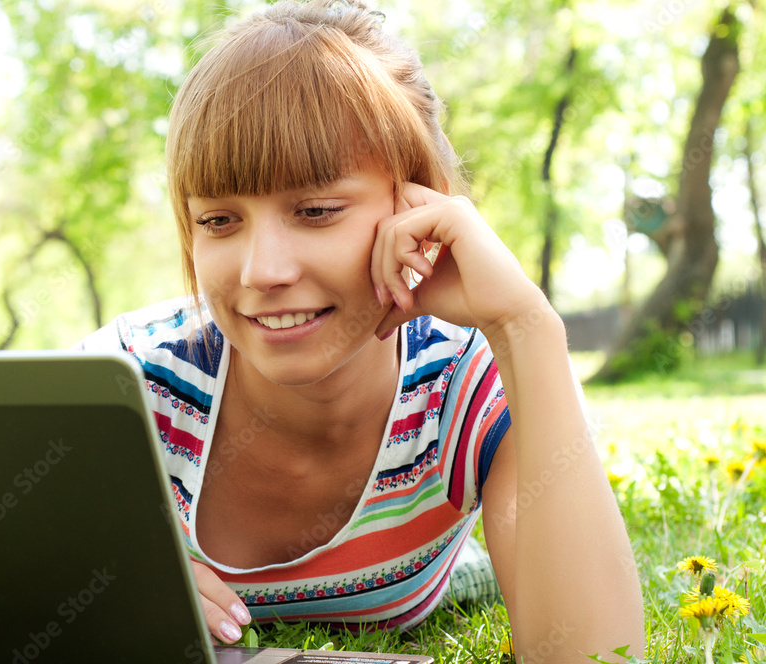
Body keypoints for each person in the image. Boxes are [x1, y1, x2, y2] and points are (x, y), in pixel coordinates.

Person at [76, 0, 645, 659]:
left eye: (316, 210)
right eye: (219, 221)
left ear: (418, 206)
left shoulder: (462, 390)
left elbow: (589, 655)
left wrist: (525, 328)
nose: (263, 271)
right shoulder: (125, 385)